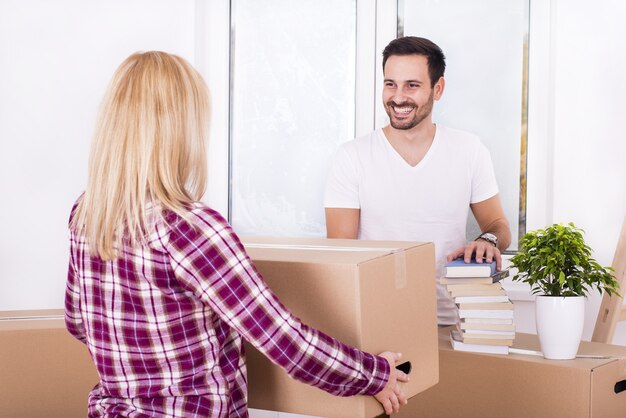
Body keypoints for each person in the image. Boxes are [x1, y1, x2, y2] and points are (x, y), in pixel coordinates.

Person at [65, 51, 408, 417]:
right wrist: (375, 374)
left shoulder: (86, 214)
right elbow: (284, 341)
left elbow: (78, 322)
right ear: (179, 129)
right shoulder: (190, 229)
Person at [324, 36, 511, 326]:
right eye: (390, 84)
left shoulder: (469, 150)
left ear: (438, 89)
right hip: (376, 321)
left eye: (412, 85)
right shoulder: (352, 157)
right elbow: (341, 256)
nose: (398, 97)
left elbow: (498, 225)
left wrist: (488, 240)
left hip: (452, 320)